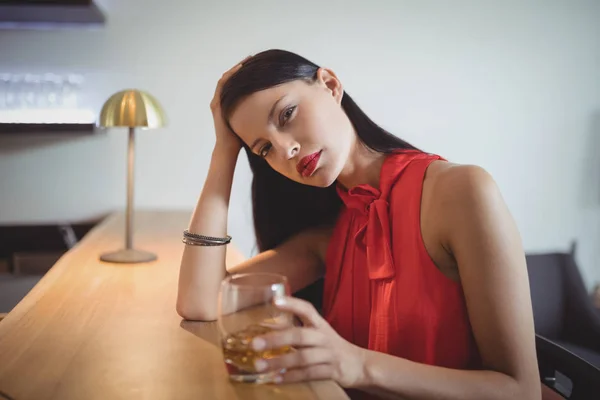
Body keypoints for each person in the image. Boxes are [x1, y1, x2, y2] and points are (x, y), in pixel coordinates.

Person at [177, 49, 541, 399]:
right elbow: (201, 301)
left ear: (331, 85)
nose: (284, 149)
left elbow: (520, 392)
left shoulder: (460, 192)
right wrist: (224, 149)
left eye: (286, 114)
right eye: (264, 149)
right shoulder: (332, 230)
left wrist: (357, 365)